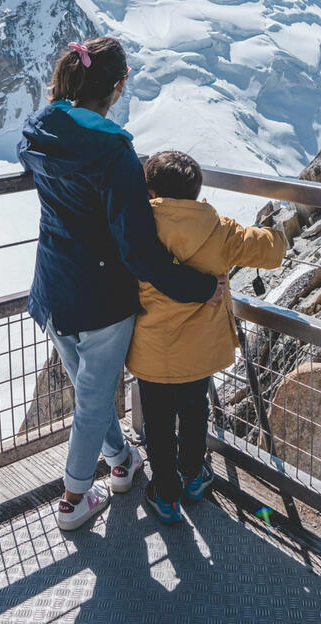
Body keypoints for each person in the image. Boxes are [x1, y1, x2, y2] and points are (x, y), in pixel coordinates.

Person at [17, 37, 225, 531]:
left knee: (89, 389)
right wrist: (198, 288)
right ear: (118, 86)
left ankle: (122, 461)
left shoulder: (37, 128)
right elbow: (139, 251)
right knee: (92, 400)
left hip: (52, 287)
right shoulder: (114, 150)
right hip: (101, 297)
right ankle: (72, 500)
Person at [126, 150, 287, 522]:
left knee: (159, 424)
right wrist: (278, 227)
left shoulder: (138, 226)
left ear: (151, 190)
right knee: (196, 413)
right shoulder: (220, 229)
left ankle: (165, 496)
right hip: (199, 354)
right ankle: (194, 478)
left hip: (151, 352)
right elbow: (271, 250)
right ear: (197, 193)